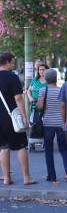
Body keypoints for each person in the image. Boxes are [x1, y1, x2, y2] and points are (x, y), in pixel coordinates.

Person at [0, 52, 37, 185]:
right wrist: (24, 117)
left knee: (3, 147)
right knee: (21, 146)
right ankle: (26, 178)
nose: (14, 64)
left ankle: (7, 178)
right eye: (13, 61)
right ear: (8, 62)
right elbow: (18, 98)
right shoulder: (12, 77)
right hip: (12, 117)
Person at [36, 69, 67, 182]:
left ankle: (51, 175)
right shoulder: (61, 90)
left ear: (45, 79)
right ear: (56, 79)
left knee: (49, 149)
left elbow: (39, 106)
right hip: (61, 123)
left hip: (48, 124)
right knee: (63, 148)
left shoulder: (43, 90)